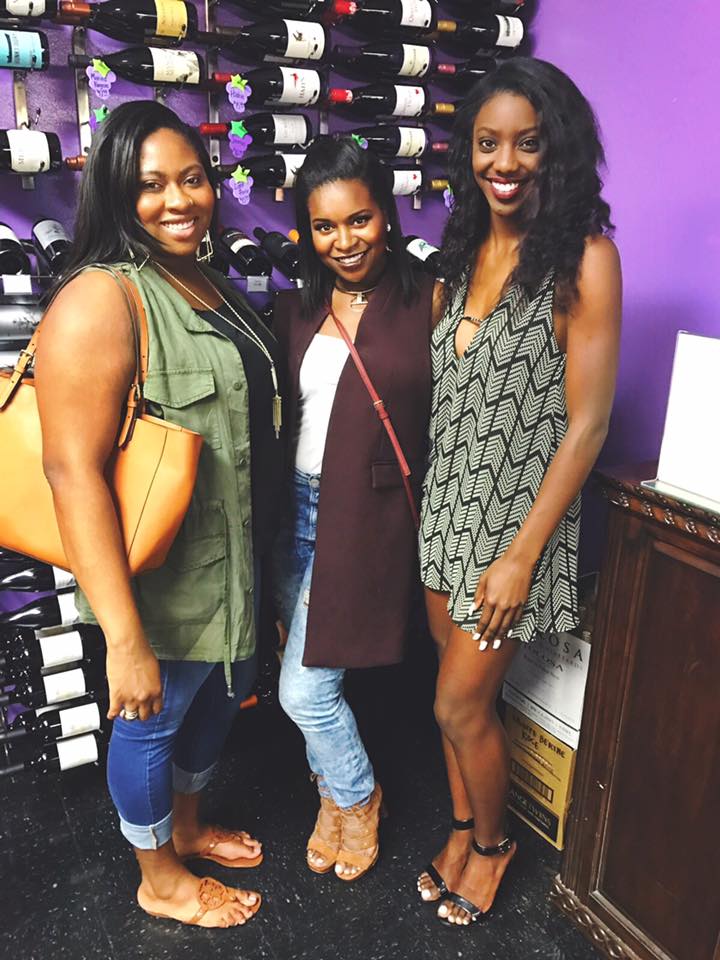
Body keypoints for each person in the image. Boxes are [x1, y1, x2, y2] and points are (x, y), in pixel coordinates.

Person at [34, 100, 284, 928]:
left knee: (217, 705)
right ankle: (159, 879)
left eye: (192, 179)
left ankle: (186, 827)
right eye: (151, 186)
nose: (179, 200)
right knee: (151, 723)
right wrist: (124, 638)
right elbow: (72, 473)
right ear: (116, 193)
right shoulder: (99, 300)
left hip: (233, 566)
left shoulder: (207, 283)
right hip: (161, 585)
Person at [416, 58, 622, 926]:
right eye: (488, 143)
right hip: (443, 515)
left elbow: (587, 426)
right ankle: (465, 827)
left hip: (512, 530)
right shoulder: (459, 258)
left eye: (527, 144)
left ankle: (495, 849)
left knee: (458, 702)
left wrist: (521, 557)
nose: (505, 162)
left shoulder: (586, 260)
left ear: (557, 151)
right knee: (456, 704)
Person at [272, 135, 437, 882]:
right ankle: (330, 797)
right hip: (292, 513)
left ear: (387, 214)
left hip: (363, 521)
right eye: (325, 226)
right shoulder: (300, 304)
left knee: (306, 689)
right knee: (302, 663)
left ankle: (358, 796)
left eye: (359, 219)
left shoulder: (428, 297)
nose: (344, 241)